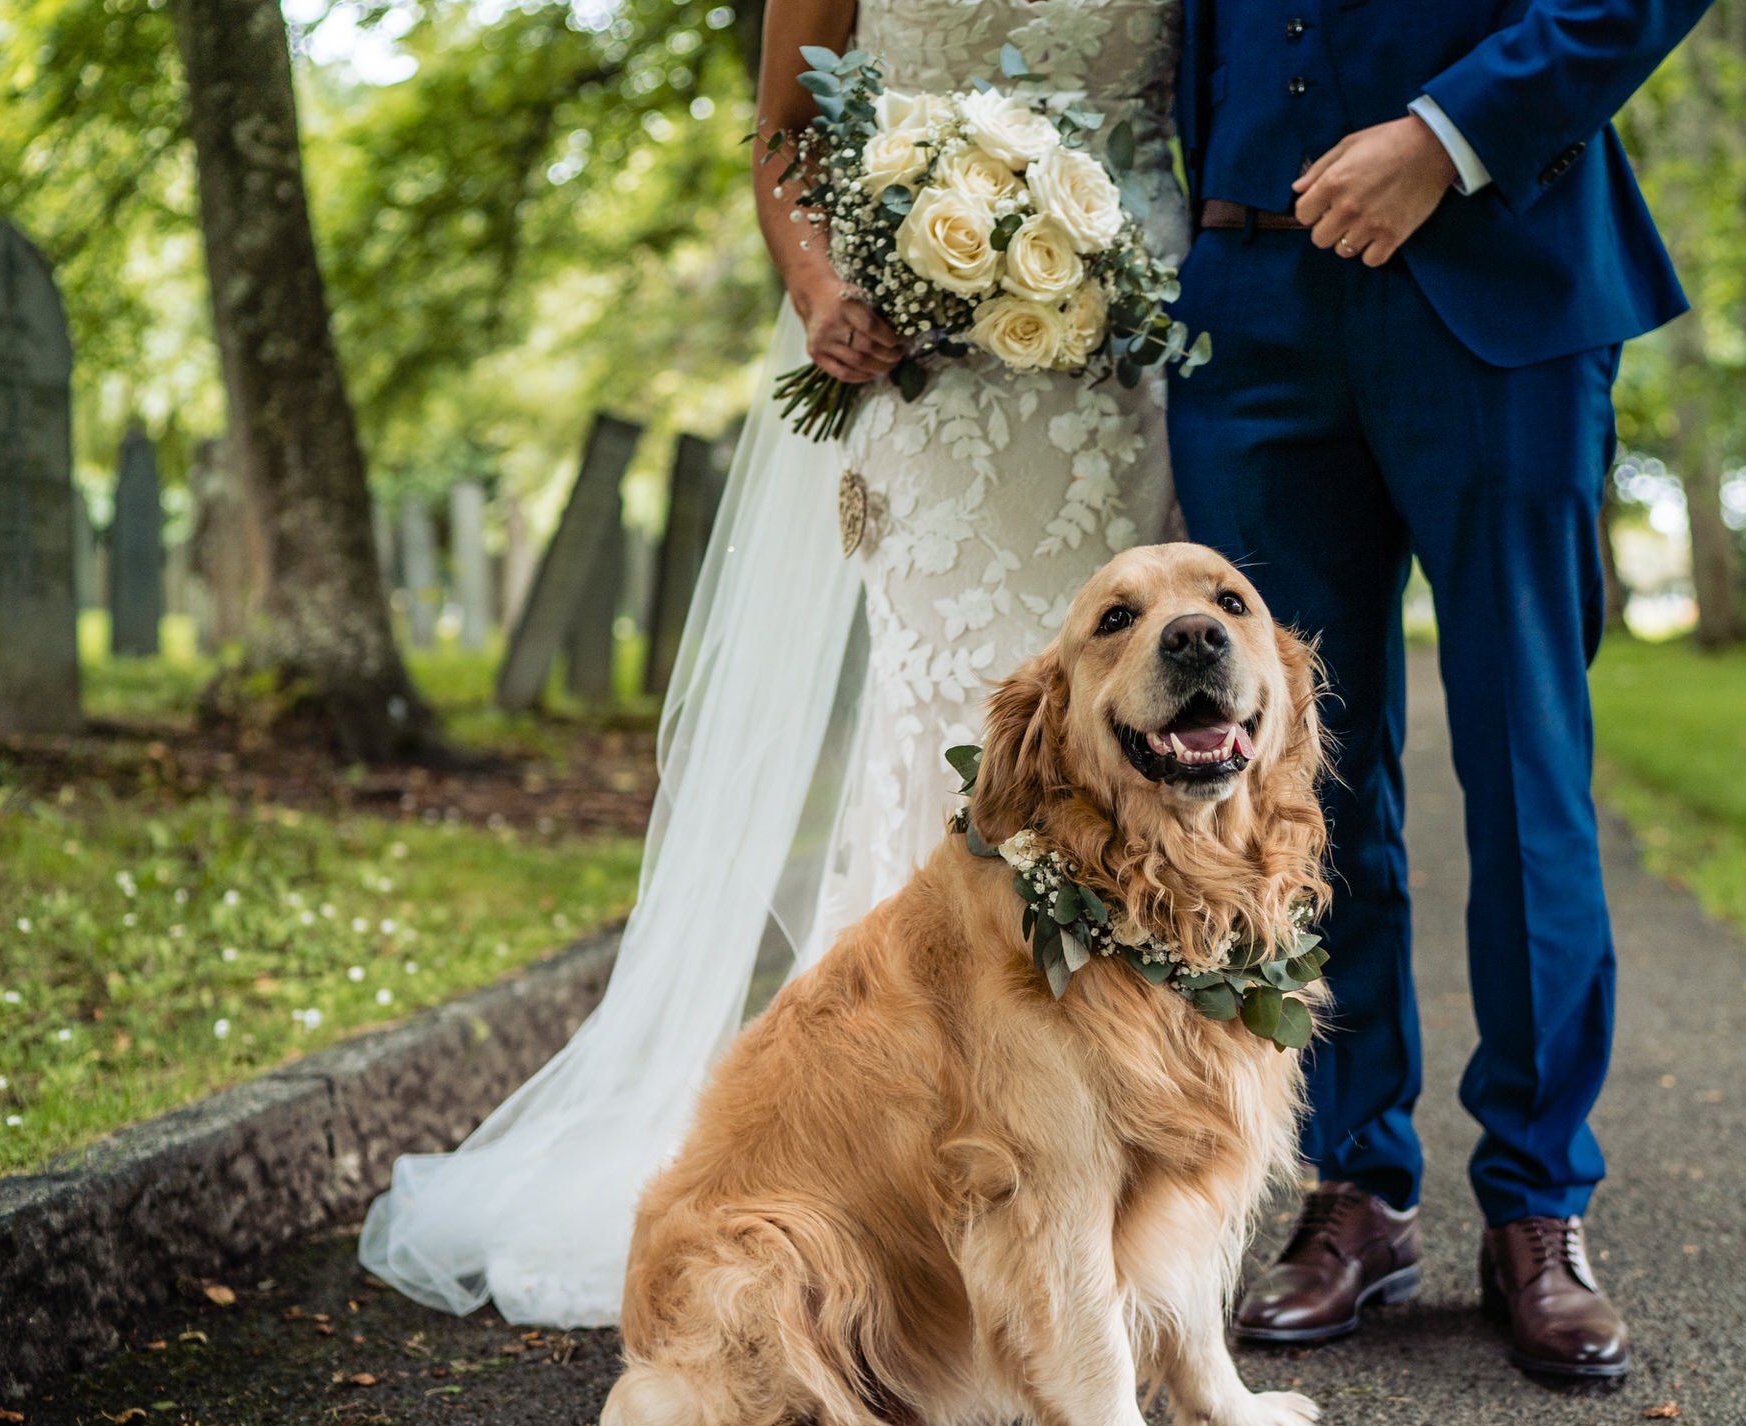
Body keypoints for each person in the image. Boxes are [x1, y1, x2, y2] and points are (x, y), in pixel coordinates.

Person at [359, 0, 1187, 1327]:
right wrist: (824, 288)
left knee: (1127, 763)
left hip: (1120, 390)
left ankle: (1122, 1214)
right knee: (950, 758)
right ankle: (920, 1203)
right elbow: (789, 128)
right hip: (932, 401)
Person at [1167, 0, 1712, 1379]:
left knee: (1524, 762)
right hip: (1249, 305)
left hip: (1496, 267)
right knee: (1296, 778)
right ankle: (1358, 1185)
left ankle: (1537, 1201)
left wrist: (1443, 136)